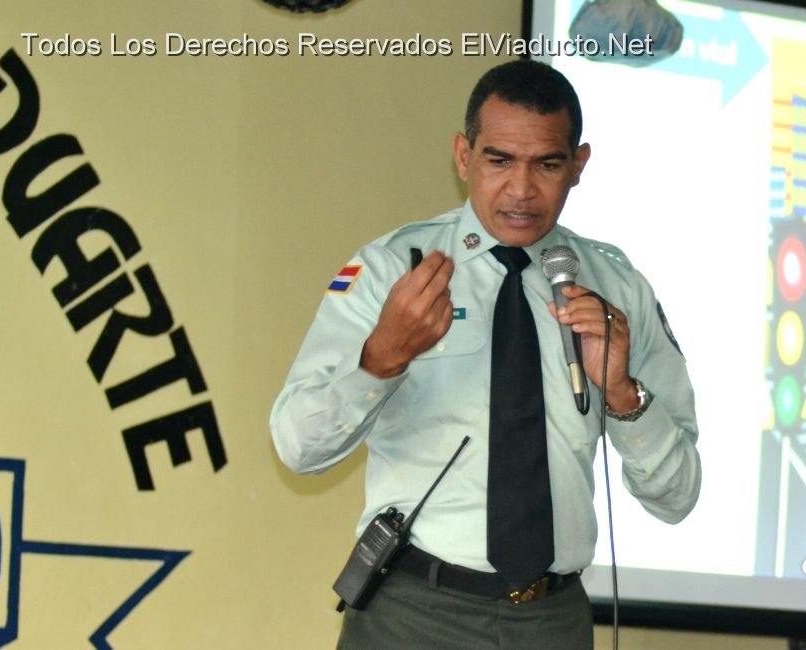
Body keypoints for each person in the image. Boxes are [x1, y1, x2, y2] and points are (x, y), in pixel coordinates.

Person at [270, 59, 701, 648]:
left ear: (578, 166)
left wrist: (624, 395)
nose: (521, 189)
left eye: (547, 164)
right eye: (499, 160)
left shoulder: (617, 288)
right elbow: (298, 448)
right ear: (463, 155)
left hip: (552, 620)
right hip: (413, 612)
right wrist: (383, 357)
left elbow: (678, 498)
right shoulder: (391, 270)